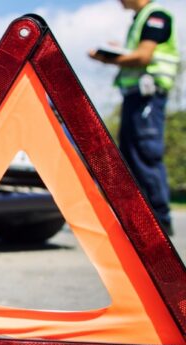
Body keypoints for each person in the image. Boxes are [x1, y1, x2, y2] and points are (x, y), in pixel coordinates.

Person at [89, 0, 179, 236]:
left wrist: (108, 58)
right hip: (136, 97)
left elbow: (144, 56)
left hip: (147, 97)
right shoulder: (140, 19)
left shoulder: (155, 16)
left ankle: (159, 220)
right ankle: (141, 219)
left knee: (145, 154)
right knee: (130, 154)